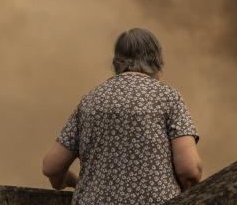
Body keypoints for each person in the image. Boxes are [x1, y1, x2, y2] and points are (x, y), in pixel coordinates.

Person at [41, 28, 203, 204]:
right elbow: (190, 170)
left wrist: (76, 182)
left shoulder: (90, 101)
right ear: (157, 61)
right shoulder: (168, 98)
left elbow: (52, 168)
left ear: (116, 61)